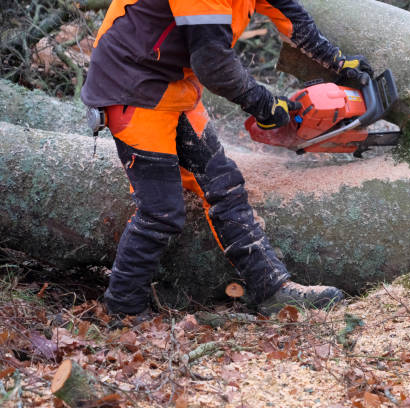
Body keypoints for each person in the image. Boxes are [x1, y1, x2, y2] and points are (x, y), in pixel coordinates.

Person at [81, 0, 373, 317]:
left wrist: (338, 62)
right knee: (161, 211)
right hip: (131, 90)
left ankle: (270, 289)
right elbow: (212, 64)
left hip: (175, 89)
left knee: (225, 185)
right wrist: (264, 104)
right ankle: (123, 309)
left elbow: (292, 17)